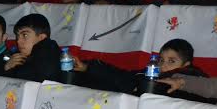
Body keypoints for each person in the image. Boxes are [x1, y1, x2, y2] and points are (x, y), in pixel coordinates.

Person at [71, 39, 207, 93]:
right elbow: (124, 75)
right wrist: (87, 67)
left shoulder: (192, 82)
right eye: (161, 60)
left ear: (186, 65)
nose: (163, 65)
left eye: (171, 61)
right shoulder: (149, 74)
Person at [3, 14, 63, 83]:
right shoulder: (20, 55)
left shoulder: (49, 52)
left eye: (25, 35)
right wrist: (8, 67)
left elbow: (30, 81)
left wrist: (8, 70)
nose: (18, 41)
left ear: (41, 37)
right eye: (17, 36)